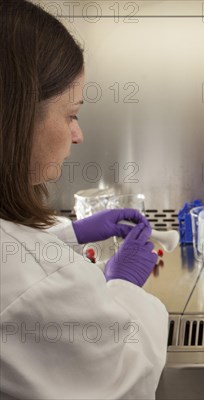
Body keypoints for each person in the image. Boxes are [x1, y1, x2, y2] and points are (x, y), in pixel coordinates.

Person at [0, 1, 168, 398]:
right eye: (71, 114)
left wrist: (67, 234)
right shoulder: (37, 283)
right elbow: (126, 377)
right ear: (19, 117)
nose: (78, 135)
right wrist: (125, 286)